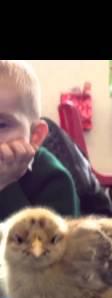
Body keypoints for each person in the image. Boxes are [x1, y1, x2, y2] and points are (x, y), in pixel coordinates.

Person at [0, 60, 80, 220]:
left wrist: (4, 185)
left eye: (1, 124)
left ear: (35, 135)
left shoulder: (54, 179)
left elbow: (44, 243)